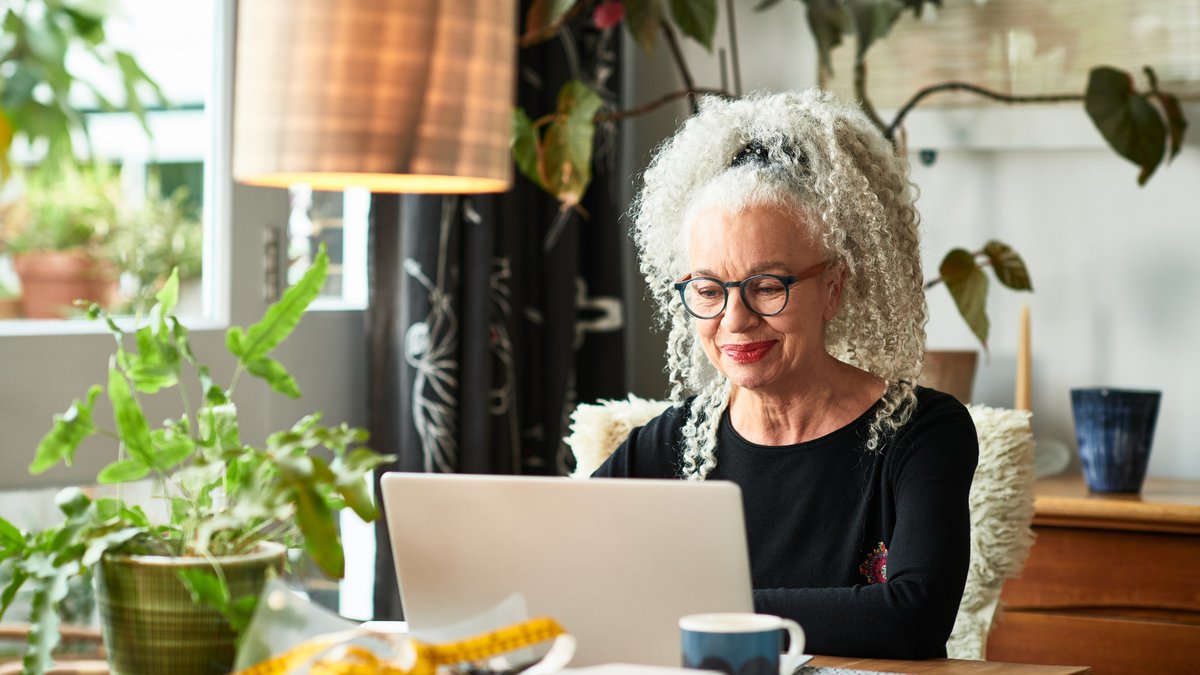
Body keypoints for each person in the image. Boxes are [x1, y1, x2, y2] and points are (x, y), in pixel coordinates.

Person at [592, 89, 979, 659]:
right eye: (707, 290)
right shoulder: (671, 445)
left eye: (768, 286)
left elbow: (913, 618)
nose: (735, 319)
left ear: (834, 288)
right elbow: (567, 574)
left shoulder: (921, 433)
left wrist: (699, 608)